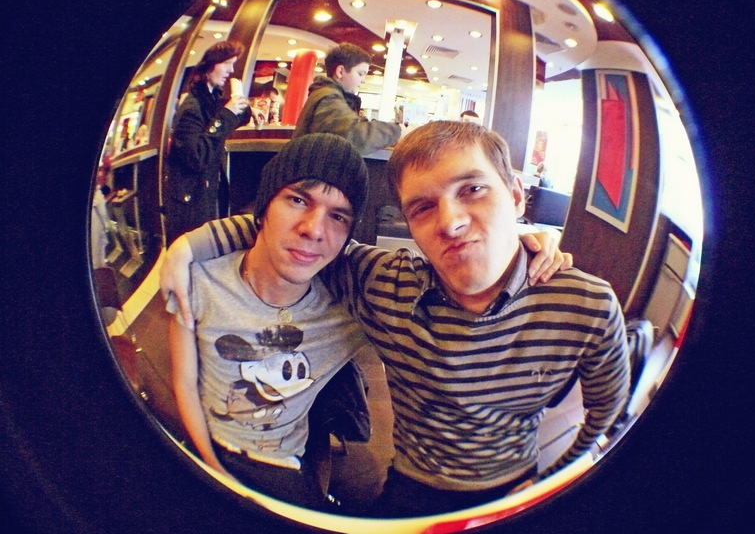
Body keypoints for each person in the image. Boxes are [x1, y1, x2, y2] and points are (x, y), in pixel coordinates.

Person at [162, 122, 626, 518]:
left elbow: (609, 415)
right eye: (423, 207)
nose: (451, 223)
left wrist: (552, 483)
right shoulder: (384, 285)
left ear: (517, 196)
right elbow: (291, 237)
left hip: (516, 482)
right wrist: (185, 247)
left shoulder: (586, 305)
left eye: (473, 190)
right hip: (410, 482)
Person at [167, 133, 371, 510]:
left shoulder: (348, 312)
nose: (313, 229)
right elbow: (184, 382)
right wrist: (215, 469)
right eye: (298, 200)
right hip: (204, 449)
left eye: (338, 216)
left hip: (281, 466)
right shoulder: (197, 283)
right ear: (263, 208)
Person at [163, 40, 252, 245]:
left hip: (203, 194)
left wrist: (245, 108)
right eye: (227, 63)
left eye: (233, 64)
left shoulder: (210, 99)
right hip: (190, 202)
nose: (231, 70)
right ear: (210, 65)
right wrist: (227, 113)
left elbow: (232, 120)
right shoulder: (192, 106)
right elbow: (196, 156)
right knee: (191, 255)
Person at [292, 42, 401, 154]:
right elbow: (354, 136)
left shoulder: (330, 95)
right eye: (360, 74)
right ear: (340, 71)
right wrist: (398, 131)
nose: (363, 80)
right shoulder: (327, 98)